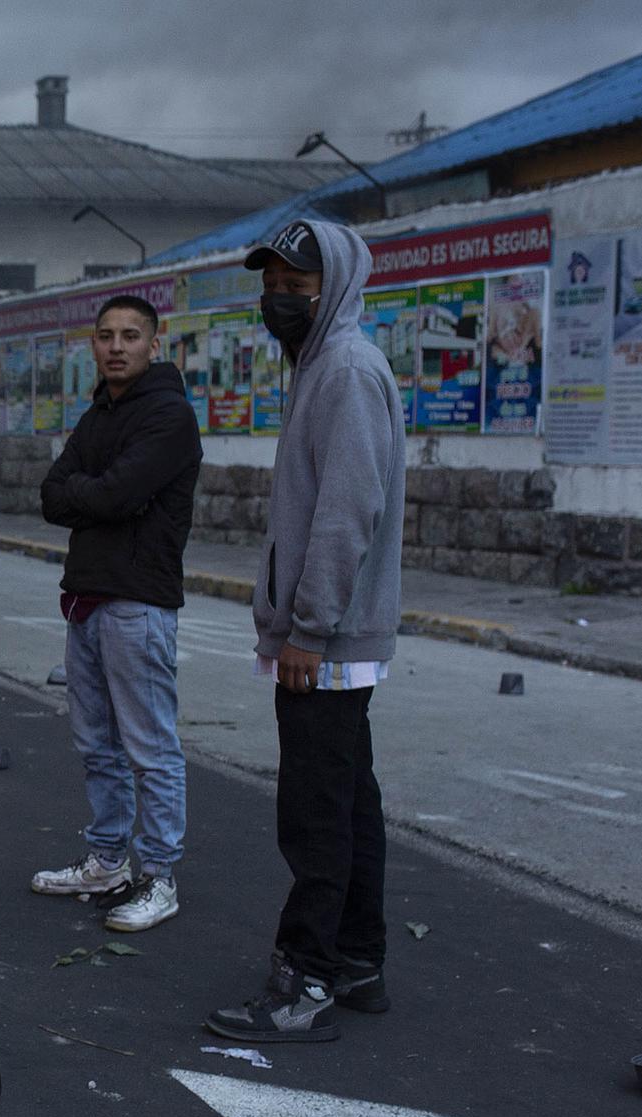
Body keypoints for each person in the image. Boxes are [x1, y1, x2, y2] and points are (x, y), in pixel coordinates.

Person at [205, 219, 406, 1045]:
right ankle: (357, 962)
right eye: (273, 284)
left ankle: (305, 980)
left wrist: (308, 631)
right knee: (350, 802)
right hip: (331, 636)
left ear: (337, 288)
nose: (280, 299)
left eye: (298, 285)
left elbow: (345, 514)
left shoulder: (347, 371)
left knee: (315, 814)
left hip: (328, 640)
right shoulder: (321, 365)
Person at [33, 295, 201, 932]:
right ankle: (108, 859)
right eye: (105, 336)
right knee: (96, 744)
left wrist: (97, 495)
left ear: (155, 345)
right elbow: (55, 495)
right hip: (85, 598)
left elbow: (116, 493)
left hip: (138, 603)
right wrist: (96, 496)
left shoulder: (169, 416)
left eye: (131, 335)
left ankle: (159, 876)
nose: (117, 346)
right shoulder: (98, 412)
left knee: (150, 748)